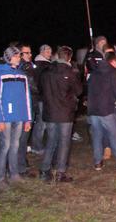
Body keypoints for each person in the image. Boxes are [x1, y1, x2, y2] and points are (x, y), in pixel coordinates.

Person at [39, 46, 83, 182]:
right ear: (69, 58)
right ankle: (60, 172)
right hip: (65, 113)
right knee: (64, 142)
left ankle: (45, 170)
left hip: (51, 112)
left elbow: (41, 89)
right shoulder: (70, 72)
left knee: (51, 141)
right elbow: (79, 91)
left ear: (57, 56)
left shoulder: (46, 72)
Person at [0, 46, 32, 189]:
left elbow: (27, 98)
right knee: (5, 146)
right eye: (16, 55)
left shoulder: (22, 75)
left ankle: (14, 174)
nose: (19, 57)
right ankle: (1, 178)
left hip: (20, 116)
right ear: (9, 57)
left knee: (15, 146)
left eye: (18, 55)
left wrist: (28, 118)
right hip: (6, 118)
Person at [16, 43, 36, 176]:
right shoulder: (24, 68)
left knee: (23, 138)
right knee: (21, 138)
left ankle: (21, 162)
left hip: (30, 105)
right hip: (24, 108)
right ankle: (21, 167)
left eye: (30, 52)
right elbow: (34, 87)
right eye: (26, 53)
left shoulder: (29, 67)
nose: (29, 55)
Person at [30, 44, 53, 154]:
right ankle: (36, 146)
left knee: (43, 122)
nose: (50, 54)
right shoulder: (42, 65)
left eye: (50, 51)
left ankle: (40, 144)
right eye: (48, 51)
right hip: (42, 97)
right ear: (42, 52)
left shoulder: (42, 64)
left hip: (43, 97)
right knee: (41, 123)